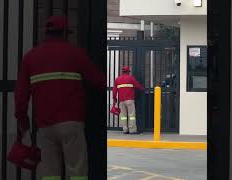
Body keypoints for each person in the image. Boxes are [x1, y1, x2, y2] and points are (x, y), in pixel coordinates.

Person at [14, 16, 105, 180]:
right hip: (71, 122)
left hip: (44, 124)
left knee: (49, 172)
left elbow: (20, 95)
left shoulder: (30, 57)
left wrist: (23, 122)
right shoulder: (75, 53)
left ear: (46, 33)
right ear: (64, 33)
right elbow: (98, 81)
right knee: (76, 170)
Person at [113, 66, 144, 134]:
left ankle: (125, 130)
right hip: (129, 100)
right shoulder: (130, 78)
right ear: (128, 72)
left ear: (122, 71)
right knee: (131, 115)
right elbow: (137, 85)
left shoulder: (117, 79)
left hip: (121, 101)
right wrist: (142, 89)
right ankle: (132, 130)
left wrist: (114, 99)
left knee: (123, 116)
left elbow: (114, 91)